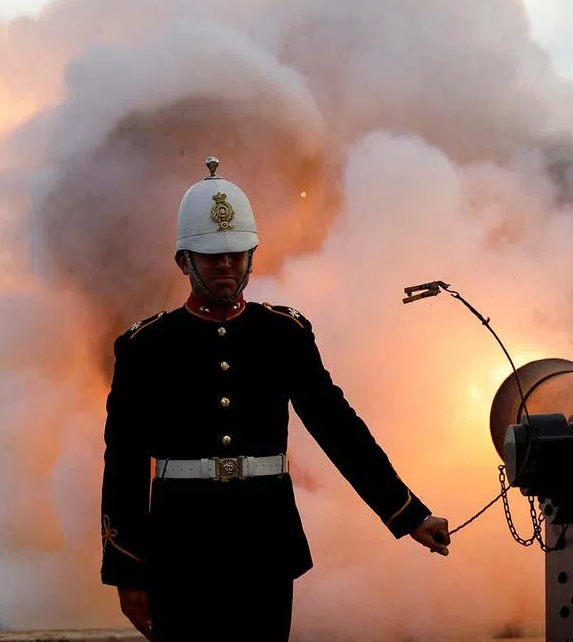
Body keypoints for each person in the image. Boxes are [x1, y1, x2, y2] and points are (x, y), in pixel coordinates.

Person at [99, 156, 451, 641]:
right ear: (184, 261)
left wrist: (408, 513)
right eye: (211, 255)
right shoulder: (146, 347)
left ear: (251, 255)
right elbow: (124, 463)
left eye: (236, 253)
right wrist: (128, 571)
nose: (226, 264)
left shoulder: (283, 333)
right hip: (181, 544)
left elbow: (338, 428)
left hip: (264, 539)